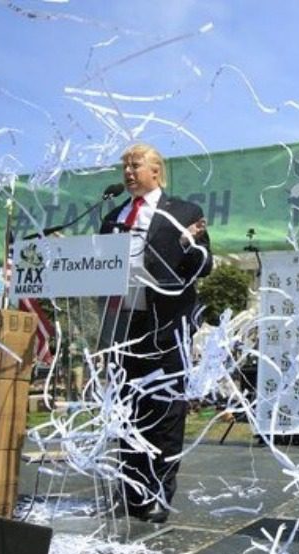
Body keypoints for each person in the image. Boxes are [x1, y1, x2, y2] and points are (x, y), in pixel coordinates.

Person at [100, 142, 212, 524]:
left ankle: (158, 492)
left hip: (165, 325)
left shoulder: (184, 212)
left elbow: (205, 265)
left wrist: (187, 244)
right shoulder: (112, 218)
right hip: (123, 326)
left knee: (164, 410)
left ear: (156, 171)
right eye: (125, 167)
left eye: (135, 165)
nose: (128, 173)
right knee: (127, 411)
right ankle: (131, 491)